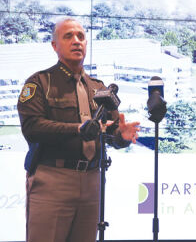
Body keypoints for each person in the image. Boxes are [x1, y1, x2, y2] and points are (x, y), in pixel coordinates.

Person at [17, 18, 140, 242]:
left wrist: (121, 137)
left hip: (92, 181)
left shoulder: (99, 88)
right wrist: (77, 129)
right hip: (53, 179)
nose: (77, 41)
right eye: (68, 36)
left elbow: (109, 133)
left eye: (81, 37)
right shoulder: (39, 83)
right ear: (54, 45)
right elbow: (32, 127)